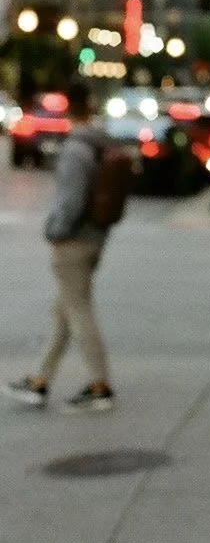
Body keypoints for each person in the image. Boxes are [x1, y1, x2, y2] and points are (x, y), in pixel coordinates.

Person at [4, 88, 116, 412]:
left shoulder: (75, 149)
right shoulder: (100, 144)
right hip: (95, 237)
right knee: (64, 312)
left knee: (78, 312)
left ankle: (100, 383)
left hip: (73, 242)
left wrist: (55, 231)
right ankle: (41, 379)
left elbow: (71, 200)